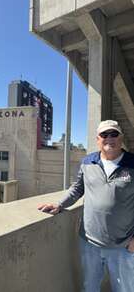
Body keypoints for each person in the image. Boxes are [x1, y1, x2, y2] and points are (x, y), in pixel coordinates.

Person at [38, 120, 134, 292]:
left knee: (125, 289)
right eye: (104, 135)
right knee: (90, 287)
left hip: (123, 246)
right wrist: (59, 204)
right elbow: (77, 188)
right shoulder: (88, 162)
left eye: (114, 134)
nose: (109, 138)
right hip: (89, 243)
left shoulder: (132, 163)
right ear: (98, 139)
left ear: (121, 138)